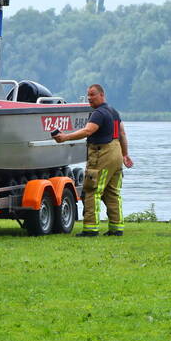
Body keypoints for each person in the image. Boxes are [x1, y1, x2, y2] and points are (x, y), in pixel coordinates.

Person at [53, 84, 133, 237]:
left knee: (92, 190)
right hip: (116, 153)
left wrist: (65, 137)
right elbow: (122, 133)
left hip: (102, 154)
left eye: (93, 94)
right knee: (112, 193)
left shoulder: (98, 113)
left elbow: (88, 130)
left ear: (102, 95)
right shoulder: (114, 112)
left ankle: (91, 229)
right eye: (88, 95)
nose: (89, 98)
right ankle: (116, 229)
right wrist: (125, 154)